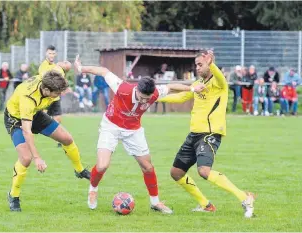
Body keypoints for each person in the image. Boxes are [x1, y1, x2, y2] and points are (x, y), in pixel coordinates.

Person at [73, 55, 206, 214]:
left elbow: (170, 86)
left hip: (133, 130)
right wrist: (81, 68)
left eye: (147, 99)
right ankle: (93, 189)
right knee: (102, 165)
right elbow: (103, 71)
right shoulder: (122, 88)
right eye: (142, 98)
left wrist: (192, 88)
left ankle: (155, 203)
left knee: (148, 167)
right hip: (111, 126)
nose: (145, 101)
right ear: (137, 90)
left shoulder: (155, 93)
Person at [159, 50, 255, 218]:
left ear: (209, 64)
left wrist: (211, 63)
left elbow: (218, 76)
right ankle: (206, 205)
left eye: (200, 64)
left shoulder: (219, 83)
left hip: (210, 134)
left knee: (204, 171)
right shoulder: (198, 83)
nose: (197, 68)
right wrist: (156, 98)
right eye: (196, 65)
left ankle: (245, 197)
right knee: (176, 173)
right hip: (194, 135)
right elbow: (182, 97)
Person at [5, 70, 90, 212]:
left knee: (67, 138)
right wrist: (37, 158)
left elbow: (63, 67)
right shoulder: (28, 99)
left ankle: (79, 170)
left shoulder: (48, 79)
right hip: (16, 119)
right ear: (46, 90)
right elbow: (27, 130)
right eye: (57, 93)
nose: (59, 95)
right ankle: (13, 195)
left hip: (35, 114)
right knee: (26, 158)